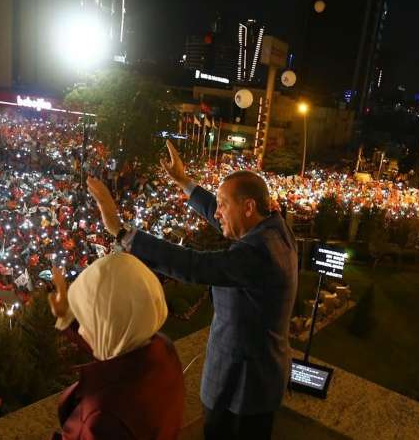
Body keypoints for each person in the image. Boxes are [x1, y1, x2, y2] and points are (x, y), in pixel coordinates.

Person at [86, 140, 298, 440]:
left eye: (224, 204)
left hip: (243, 387)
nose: (217, 213)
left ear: (249, 207)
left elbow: (194, 266)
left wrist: (122, 232)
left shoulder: (259, 254)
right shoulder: (272, 228)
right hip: (256, 377)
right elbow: (221, 215)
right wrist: (184, 182)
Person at [47, 252, 184, 440]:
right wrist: (67, 316)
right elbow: (112, 348)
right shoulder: (161, 348)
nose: (81, 331)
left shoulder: (102, 417)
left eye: (88, 320)